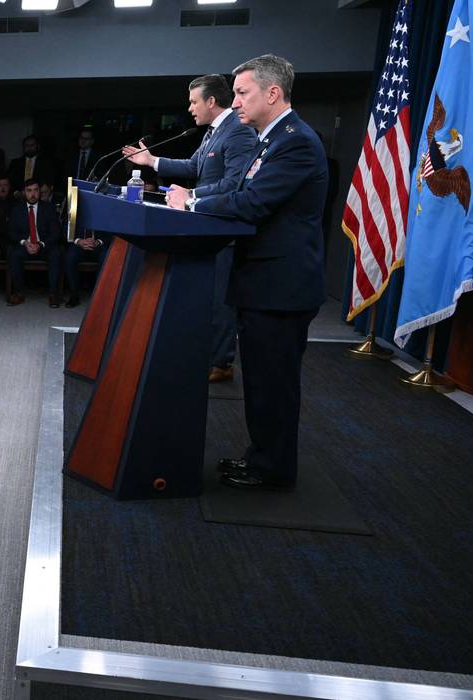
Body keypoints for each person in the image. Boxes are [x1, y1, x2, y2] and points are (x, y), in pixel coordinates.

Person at [165, 54, 327, 491]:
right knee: (259, 381)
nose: (234, 101)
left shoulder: (295, 142)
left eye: (241, 92)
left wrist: (192, 203)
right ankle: (262, 457)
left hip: (282, 288)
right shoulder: (268, 140)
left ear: (272, 93)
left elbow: (253, 202)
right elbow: (240, 189)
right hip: (263, 284)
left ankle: (273, 469)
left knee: (274, 384)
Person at [125, 73, 258, 383]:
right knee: (205, 297)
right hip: (204, 228)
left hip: (224, 231)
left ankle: (221, 361)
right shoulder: (214, 131)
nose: (189, 109)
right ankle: (206, 355)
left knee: (219, 300)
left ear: (211, 101)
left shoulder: (238, 131)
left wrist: (192, 196)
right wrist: (152, 161)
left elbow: (234, 184)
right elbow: (194, 167)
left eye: (193, 102)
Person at [7, 178, 71, 307]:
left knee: (56, 254)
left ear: (39, 191)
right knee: (14, 254)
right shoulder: (17, 209)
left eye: (36, 190)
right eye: (29, 191)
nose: (33, 194)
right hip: (25, 245)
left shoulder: (48, 208)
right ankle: (18, 293)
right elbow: (11, 232)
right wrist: (25, 243)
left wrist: (40, 244)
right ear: (24, 192)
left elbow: (56, 232)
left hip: (43, 245)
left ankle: (53, 294)